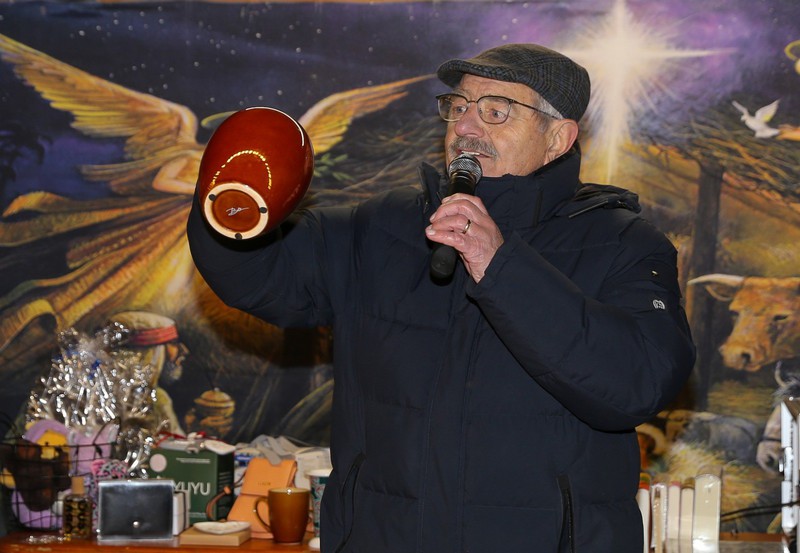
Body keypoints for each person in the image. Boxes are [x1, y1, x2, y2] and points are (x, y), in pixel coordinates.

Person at [187, 43, 695, 552]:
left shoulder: (624, 244)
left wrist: (500, 265)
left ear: (557, 138)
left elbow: (636, 384)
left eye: (496, 111)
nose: (466, 126)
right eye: (458, 106)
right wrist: (229, 205)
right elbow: (258, 276)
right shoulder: (382, 226)